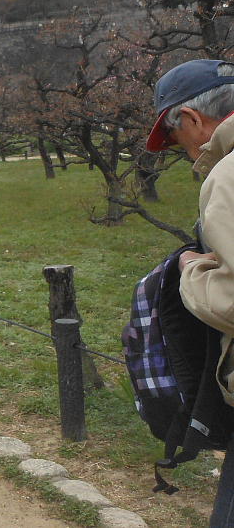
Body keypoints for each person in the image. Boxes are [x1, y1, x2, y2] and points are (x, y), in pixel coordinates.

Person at [146, 59, 234, 526]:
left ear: (193, 119)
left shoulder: (228, 175)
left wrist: (191, 271)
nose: (182, 149)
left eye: (174, 134)